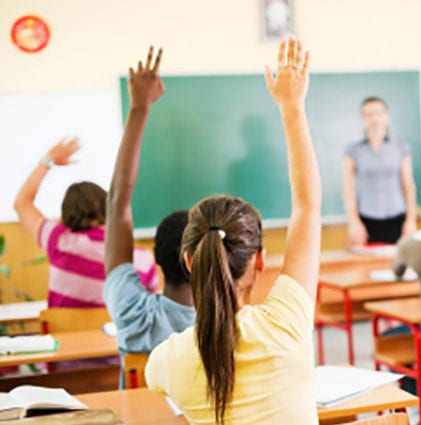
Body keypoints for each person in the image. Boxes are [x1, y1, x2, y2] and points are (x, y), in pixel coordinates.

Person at [146, 37, 321, 425]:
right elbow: (307, 207)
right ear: (260, 260)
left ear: (189, 261)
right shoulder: (286, 325)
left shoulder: (170, 359)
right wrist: (292, 108)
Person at [103, 46, 195, 383]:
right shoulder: (225, 324)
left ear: (155, 257)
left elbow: (117, 203)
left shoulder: (133, 313)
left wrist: (139, 108)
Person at [13, 138, 158, 307]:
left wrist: (47, 161)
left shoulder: (58, 240)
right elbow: (150, 307)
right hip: (115, 333)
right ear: (109, 208)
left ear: (66, 214)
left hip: (62, 333)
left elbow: (21, 203)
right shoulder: (141, 259)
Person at [343, 96, 417, 245]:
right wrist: (354, 222)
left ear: (387, 116)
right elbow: (348, 190)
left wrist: (411, 220)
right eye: (368, 115)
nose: (374, 119)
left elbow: (408, 185)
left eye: (378, 113)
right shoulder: (353, 150)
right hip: (367, 220)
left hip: (398, 218)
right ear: (363, 119)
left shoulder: (401, 147)